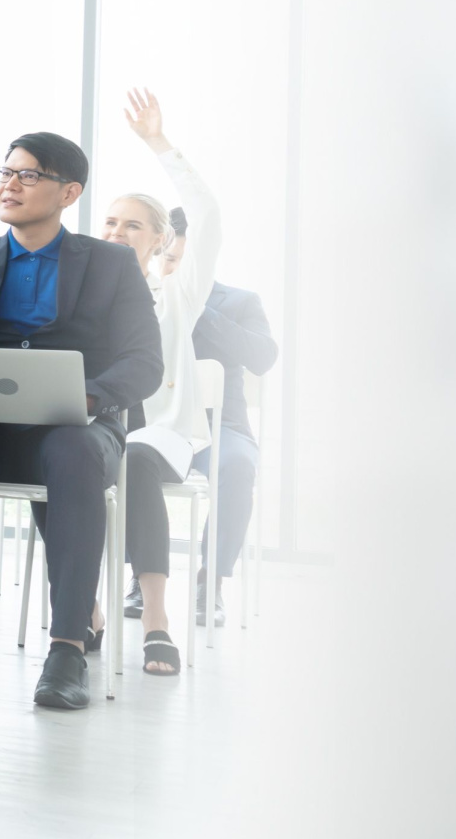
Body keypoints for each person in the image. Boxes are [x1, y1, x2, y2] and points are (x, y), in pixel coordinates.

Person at [0, 132, 162, 711]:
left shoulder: (113, 265)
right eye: (5, 172)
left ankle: (68, 645)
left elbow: (145, 363)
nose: (9, 184)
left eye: (28, 175)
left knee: (71, 449)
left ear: (69, 192)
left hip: (77, 427)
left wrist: (87, 398)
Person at [99, 91, 222, 675]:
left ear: (159, 241)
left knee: (137, 457)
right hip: (97, 431)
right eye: (111, 222)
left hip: (163, 439)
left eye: (134, 225)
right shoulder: (78, 298)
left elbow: (209, 217)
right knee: (66, 457)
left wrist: (157, 143)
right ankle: (86, 610)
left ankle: (154, 619)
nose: (119, 231)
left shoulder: (176, 296)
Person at [167, 216, 277, 625]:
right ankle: (143, 578)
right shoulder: (142, 296)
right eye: (169, 257)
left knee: (238, 465)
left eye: (184, 258)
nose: (175, 265)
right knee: (127, 459)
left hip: (221, 427)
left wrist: (200, 309)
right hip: (160, 424)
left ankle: (209, 581)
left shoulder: (239, 301)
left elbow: (263, 358)